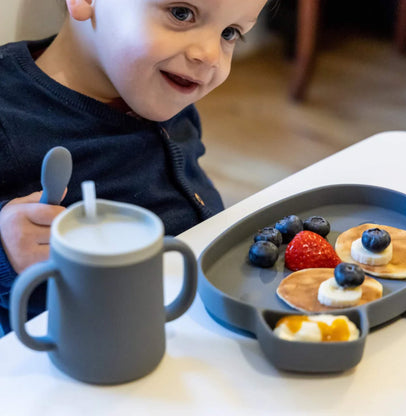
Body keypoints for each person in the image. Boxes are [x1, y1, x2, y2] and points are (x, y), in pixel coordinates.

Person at [0, 0, 270, 334]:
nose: (210, 55)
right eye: (181, 13)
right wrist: (5, 249)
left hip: (201, 327)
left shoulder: (165, 87)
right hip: (94, 360)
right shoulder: (8, 112)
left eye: (230, 33)